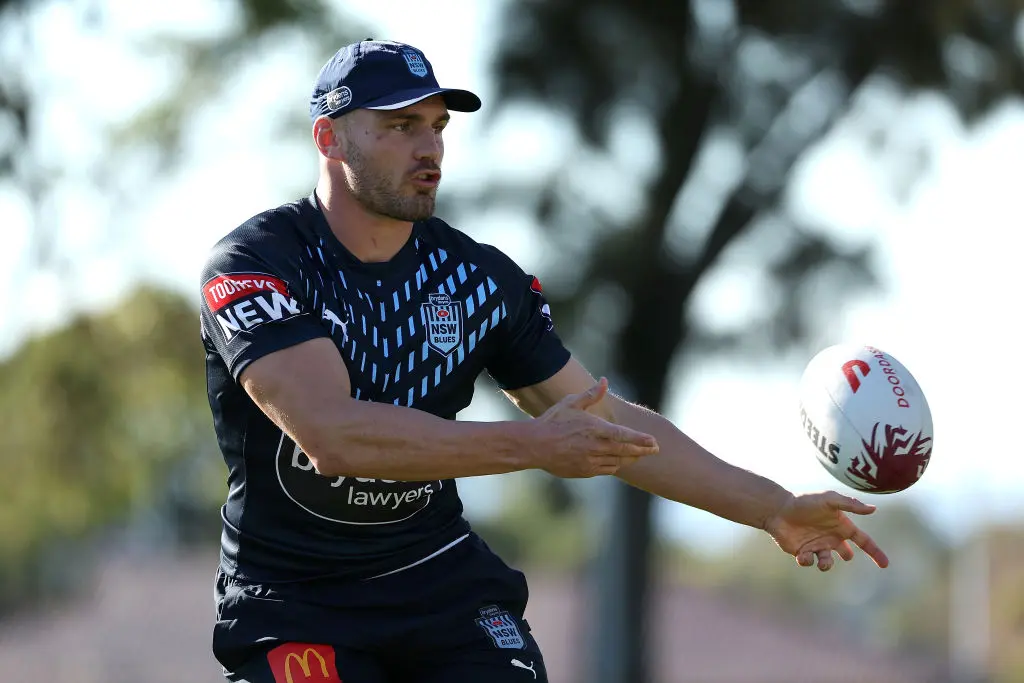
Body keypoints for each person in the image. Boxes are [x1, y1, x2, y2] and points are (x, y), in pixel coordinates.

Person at [199, 39, 889, 683]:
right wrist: (532, 444)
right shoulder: (257, 266)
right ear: (329, 136)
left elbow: (610, 423)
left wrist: (772, 507)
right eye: (400, 126)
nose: (429, 146)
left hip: (435, 579)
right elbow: (333, 435)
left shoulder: (479, 280)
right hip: (294, 598)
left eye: (437, 125)